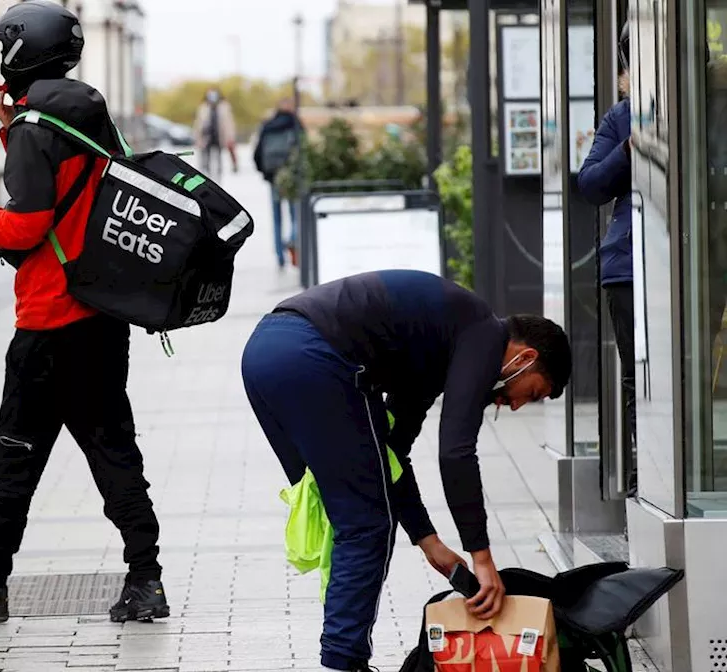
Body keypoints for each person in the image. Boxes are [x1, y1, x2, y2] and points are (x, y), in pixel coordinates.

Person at [0, 0, 168, 625]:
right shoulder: (88, 115)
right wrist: (11, 122)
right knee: (114, 451)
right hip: (100, 316)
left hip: (49, 322)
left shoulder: (36, 129)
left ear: (20, 50)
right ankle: (147, 579)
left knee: (14, 456)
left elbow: (28, 223)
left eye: (5, 43)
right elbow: (72, 191)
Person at [240, 269, 572, 672]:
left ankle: (343, 654)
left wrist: (429, 542)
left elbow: (391, 454)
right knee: (366, 523)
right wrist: (482, 558)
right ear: (525, 358)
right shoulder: (484, 334)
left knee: (354, 511)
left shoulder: (435, 351)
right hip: (313, 356)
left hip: (264, 353)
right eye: (532, 393)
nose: (516, 405)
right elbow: (456, 452)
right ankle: (343, 663)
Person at [577, 22, 636, 495]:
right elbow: (590, 184)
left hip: (703, 259)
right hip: (631, 266)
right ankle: (645, 479)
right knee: (640, 377)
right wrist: (629, 148)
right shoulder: (622, 117)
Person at [253, 97, 306, 269]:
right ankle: (292, 241)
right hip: (291, 176)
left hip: (274, 176)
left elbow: (257, 153)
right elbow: (304, 149)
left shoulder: (268, 125)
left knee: (277, 218)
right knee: (295, 215)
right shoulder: (295, 124)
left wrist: (266, 173)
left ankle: (279, 256)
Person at [193, 88, 237, 180]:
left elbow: (229, 123)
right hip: (206, 137)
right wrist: (197, 138)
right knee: (205, 160)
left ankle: (218, 179)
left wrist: (230, 137)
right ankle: (206, 178)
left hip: (219, 137)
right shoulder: (203, 107)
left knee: (218, 159)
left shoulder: (224, 107)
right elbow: (198, 123)